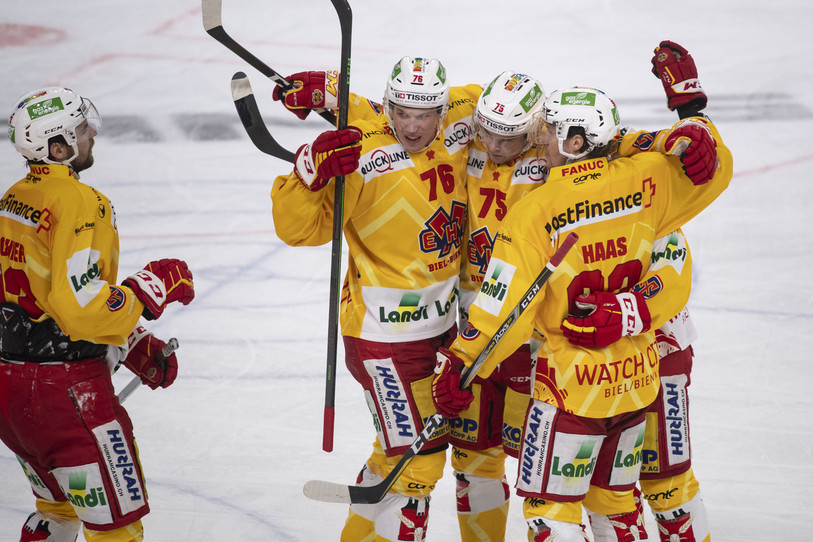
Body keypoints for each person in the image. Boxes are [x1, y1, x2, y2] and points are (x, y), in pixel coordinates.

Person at [430, 83, 732, 541]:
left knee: (552, 511)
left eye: (549, 130)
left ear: (574, 141)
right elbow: (713, 169)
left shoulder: (535, 211)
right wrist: (693, 120)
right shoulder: (648, 178)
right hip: (635, 379)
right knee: (617, 505)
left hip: (571, 388)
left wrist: (460, 361)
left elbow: (500, 308)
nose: (541, 139)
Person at [270, 57, 482, 541]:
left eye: (424, 114)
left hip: (444, 331)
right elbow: (296, 229)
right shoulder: (363, 156)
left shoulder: (466, 115)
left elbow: (520, 111)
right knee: (416, 461)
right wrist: (308, 174)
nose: (412, 125)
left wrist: (330, 91)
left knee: (398, 453)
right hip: (381, 338)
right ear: (389, 107)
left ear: (443, 110)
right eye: (401, 112)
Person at [0, 87, 195, 542]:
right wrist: (149, 291)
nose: (91, 137)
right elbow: (82, 307)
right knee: (115, 531)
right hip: (68, 397)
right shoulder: (81, 201)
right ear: (59, 147)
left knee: (56, 513)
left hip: (12, 396)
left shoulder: (12, 199)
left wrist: (127, 339)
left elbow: (41, 303)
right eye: (81, 131)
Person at [582, 41, 715, 542]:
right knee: (606, 493)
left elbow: (672, 271)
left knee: (668, 488)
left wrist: (692, 115)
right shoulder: (559, 181)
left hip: (659, 354)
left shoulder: (643, 183)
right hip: (599, 366)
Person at [450, 70, 548, 542]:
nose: (494, 144)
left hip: (533, 336)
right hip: (473, 329)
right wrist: (333, 97)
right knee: (471, 460)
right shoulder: (468, 126)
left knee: (539, 464)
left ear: (534, 129)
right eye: (486, 130)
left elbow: (614, 152)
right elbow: (415, 110)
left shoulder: (553, 153)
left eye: (508, 137)